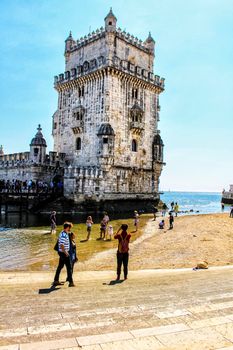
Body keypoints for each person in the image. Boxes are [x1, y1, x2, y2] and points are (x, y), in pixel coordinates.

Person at [53, 222, 75, 287]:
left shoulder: (63, 233)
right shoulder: (63, 234)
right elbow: (62, 245)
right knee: (69, 267)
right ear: (67, 227)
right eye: (69, 227)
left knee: (60, 266)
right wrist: (66, 252)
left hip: (62, 252)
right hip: (64, 253)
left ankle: (56, 281)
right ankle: (71, 282)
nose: (70, 229)